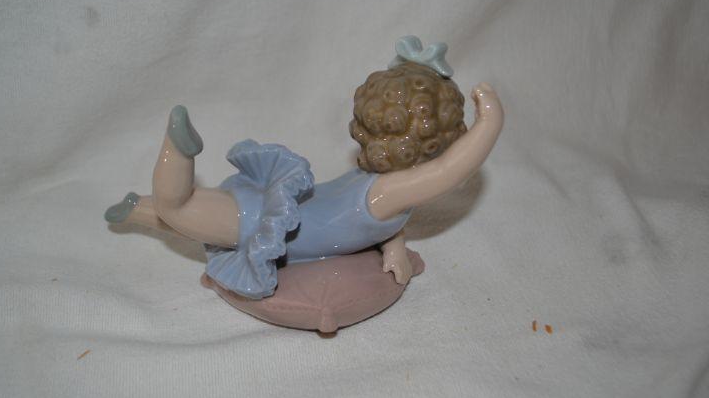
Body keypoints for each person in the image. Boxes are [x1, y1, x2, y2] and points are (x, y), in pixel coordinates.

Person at [105, 37, 503, 299]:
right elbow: (450, 172)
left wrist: (394, 248)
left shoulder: (382, 187)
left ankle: (136, 208)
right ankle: (177, 149)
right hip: (267, 222)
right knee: (178, 208)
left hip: (277, 215)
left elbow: (377, 226)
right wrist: (490, 122)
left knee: (185, 220)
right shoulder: (388, 191)